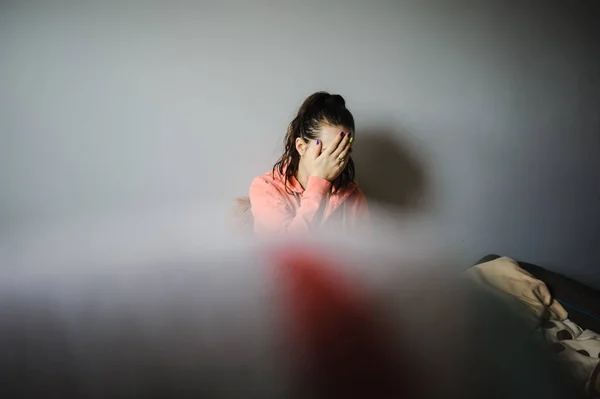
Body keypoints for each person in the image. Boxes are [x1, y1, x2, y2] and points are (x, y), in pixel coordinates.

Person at [249, 91, 370, 235]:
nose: (338, 160)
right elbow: (288, 249)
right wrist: (319, 183)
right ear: (301, 146)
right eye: (327, 151)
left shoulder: (353, 196)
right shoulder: (266, 188)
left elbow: (363, 253)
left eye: (344, 151)